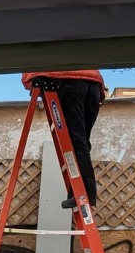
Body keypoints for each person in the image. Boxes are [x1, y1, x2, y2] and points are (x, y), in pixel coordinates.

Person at [21, 70, 106, 208]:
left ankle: (86, 195)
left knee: (76, 141)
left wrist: (32, 82)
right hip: (94, 85)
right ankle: (79, 192)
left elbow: (31, 70)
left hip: (70, 84)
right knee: (82, 142)